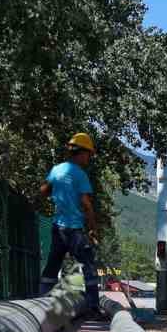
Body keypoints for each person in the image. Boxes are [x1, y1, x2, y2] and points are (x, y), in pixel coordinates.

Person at [39, 132, 101, 315]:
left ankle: (42, 303)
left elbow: (44, 190)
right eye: (89, 155)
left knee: (52, 265)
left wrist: (59, 196)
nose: (89, 158)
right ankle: (93, 307)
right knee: (89, 266)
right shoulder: (80, 174)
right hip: (74, 230)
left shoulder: (57, 170)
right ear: (81, 153)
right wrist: (93, 228)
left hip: (58, 227)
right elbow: (86, 204)